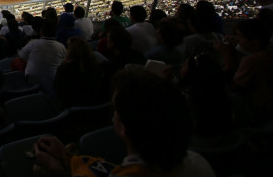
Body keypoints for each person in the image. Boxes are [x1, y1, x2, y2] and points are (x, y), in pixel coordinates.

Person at [32, 71, 214, 176]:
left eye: (116, 112)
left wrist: (60, 172)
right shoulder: (197, 162)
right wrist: (67, 158)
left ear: (123, 128)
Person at [18, 17, 66, 95]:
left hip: (33, 80)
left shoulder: (33, 43)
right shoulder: (61, 46)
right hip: (53, 81)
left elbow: (21, 56)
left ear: (41, 33)